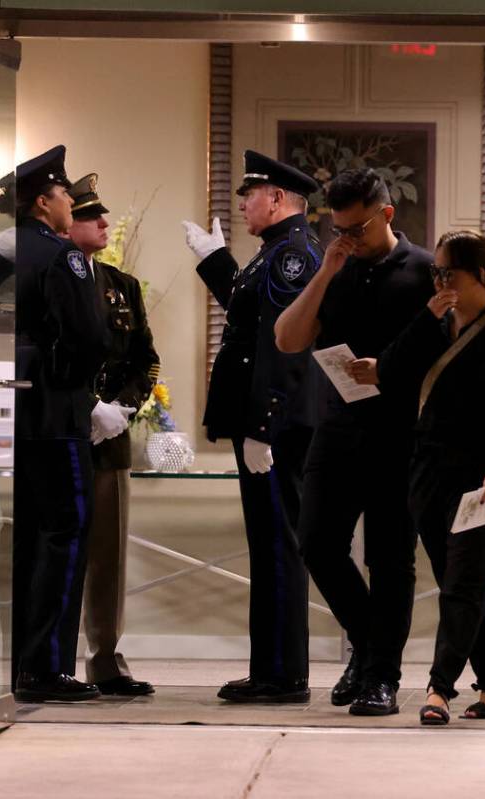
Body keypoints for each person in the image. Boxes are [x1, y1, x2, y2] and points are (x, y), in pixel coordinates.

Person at [274, 168, 434, 716]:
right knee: (316, 542)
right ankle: (369, 649)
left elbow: (446, 358)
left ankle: (381, 678)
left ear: (387, 215)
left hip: (401, 434)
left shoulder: (426, 272)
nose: (347, 238)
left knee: (391, 560)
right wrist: (326, 271)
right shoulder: (334, 267)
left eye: (357, 229)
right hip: (338, 427)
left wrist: (391, 372)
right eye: (337, 229)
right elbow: (288, 338)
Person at [357, 230, 485, 725]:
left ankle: (439, 688)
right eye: (436, 272)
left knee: (462, 585)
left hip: (483, 477)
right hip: (428, 473)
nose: (439, 281)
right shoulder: (433, 326)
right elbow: (388, 370)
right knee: (458, 583)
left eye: (447, 272)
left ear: (479, 275)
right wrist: (428, 316)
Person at [182, 150, 323, 703]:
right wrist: (217, 260)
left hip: (278, 426)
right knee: (267, 547)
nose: (242, 204)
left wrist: (263, 425)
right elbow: (249, 318)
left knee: (279, 546)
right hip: (268, 423)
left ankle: (284, 674)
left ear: (279, 199)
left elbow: (283, 347)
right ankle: (271, 668)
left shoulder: (291, 256)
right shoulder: (273, 253)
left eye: (251, 194)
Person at [10, 145, 111, 703]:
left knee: (27, 536)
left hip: (9, 409)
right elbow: (91, 335)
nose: (72, 202)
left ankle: (18, 662)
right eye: (66, 194)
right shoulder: (61, 256)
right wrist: (76, 384)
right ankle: (46, 667)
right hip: (55, 409)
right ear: (45, 200)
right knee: (65, 532)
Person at [66, 172, 159, 697]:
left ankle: (104, 658)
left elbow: (145, 360)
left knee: (108, 555)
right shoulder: (48, 279)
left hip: (110, 439)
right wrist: (86, 407)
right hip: (61, 433)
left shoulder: (121, 286)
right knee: (57, 552)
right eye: (90, 215)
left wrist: (119, 410)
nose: (104, 223)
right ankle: (48, 660)